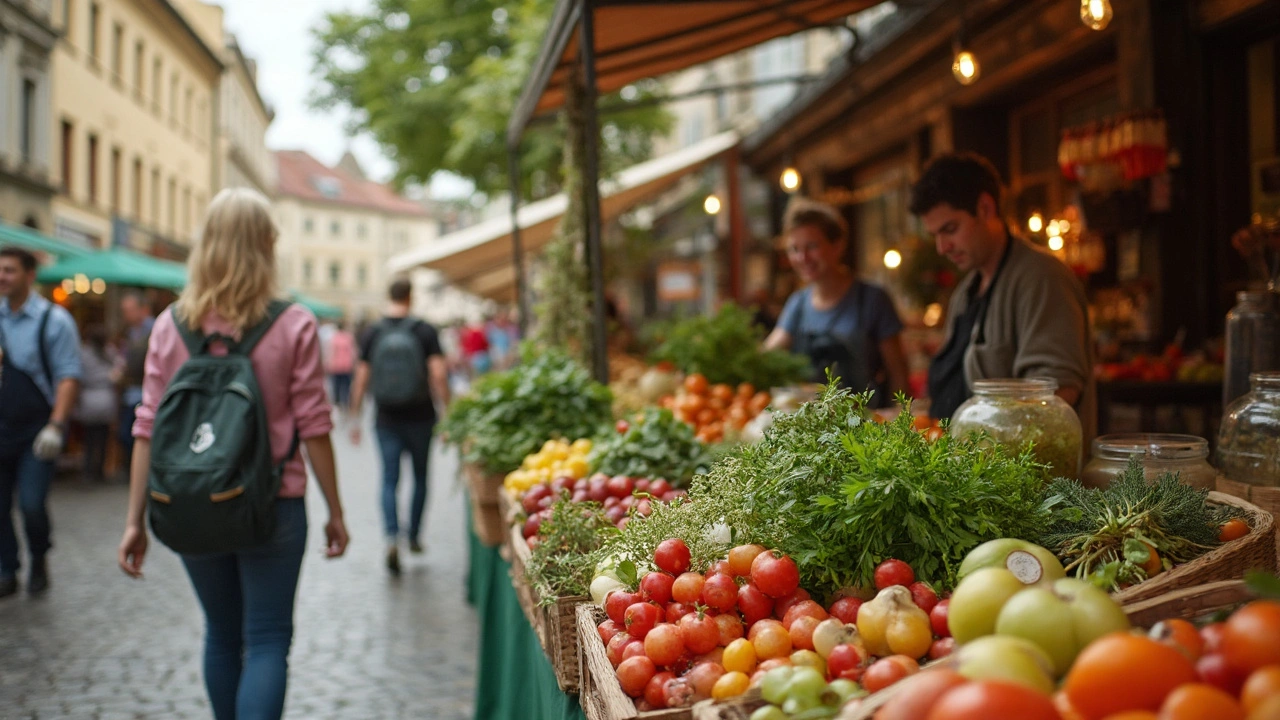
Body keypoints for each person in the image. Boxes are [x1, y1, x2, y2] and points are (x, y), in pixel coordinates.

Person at [116, 188, 348, 720]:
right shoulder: (293, 323)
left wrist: (134, 520)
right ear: (266, 245)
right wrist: (335, 510)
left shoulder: (170, 325)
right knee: (266, 639)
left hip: (188, 500)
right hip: (274, 502)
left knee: (221, 636)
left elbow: (146, 428)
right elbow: (315, 426)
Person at [909, 152, 1095, 437]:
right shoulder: (964, 293)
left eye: (950, 229)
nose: (942, 247)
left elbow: (1057, 393)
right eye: (935, 235)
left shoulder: (1041, 278)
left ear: (985, 207)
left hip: (1017, 475)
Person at [763, 199, 910, 407]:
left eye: (812, 246)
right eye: (794, 249)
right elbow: (769, 354)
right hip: (813, 428)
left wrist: (899, 418)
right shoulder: (798, 304)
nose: (802, 257)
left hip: (866, 426)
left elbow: (898, 373)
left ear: (838, 245)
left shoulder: (872, 300)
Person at [348, 279, 449, 575]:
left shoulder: (373, 332)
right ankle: (414, 536)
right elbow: (439, 374)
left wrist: (354, 417)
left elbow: (361, 377)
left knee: (389, 479)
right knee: (420, 477)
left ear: (388, 296)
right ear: (410, 296)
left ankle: (391, 536)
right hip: (421, 415)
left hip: (386, 418)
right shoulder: (424, 330)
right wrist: (449, 412)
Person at [0, 246, 82, 598]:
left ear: (30, 275)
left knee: (32, 504)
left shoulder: (55, 320)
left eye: (10, 270)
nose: (2, 276)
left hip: (38, 428)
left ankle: (38, 558)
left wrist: (57, 424)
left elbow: (68, 376)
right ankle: (7, 569)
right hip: (1, 426)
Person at [116, 291, 153, 481]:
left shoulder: (155, 330)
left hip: (149, 394)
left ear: (143, 309)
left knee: (140, 435)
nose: (126, 314)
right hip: (131, 392)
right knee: (127, 434)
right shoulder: (129, 332)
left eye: (129, 310)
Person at [76, 324, 117, 483]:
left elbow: (79, 377)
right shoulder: (110, 352)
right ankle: (99, 471)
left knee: (89, 439)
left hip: (88, 399)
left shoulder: (83, 354)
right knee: (103, 437)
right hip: (106, 398)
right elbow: (118, 371)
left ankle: (87, 471)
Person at [325, 321, 356, 415]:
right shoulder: (349, 337)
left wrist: (328, 363)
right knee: (346, 385)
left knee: (336, 386)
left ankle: (337, 404)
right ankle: (345, 402)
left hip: (336, 366)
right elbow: (353, 352)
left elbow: (331, 352)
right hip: (347, 366)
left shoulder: (334, 338)